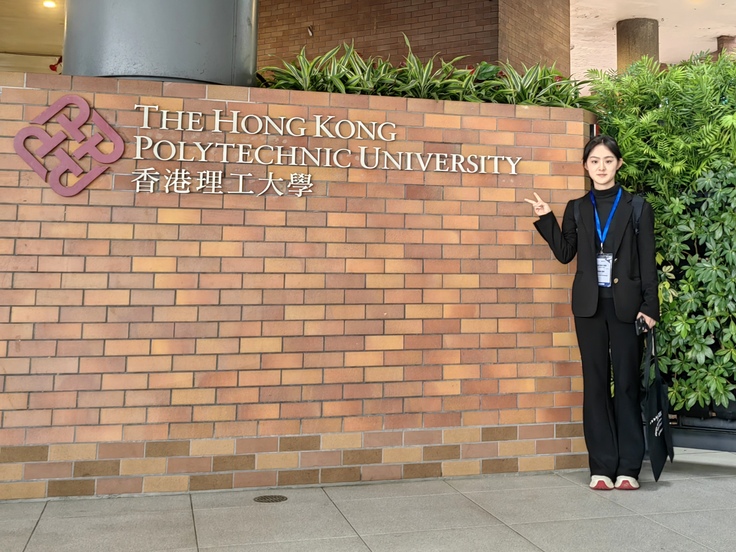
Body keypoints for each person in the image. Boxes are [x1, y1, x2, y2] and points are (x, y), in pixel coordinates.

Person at [525, 134, 659, 491]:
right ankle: (601, 467)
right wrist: (546, 218)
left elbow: (647, 261)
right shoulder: (577, 208)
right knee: (595, 384)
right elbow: (565, 254)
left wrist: (650, 307)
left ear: (619, 164)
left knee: (627, 384)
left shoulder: (638, 207)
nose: (601, 167)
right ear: (585, 166)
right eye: (595, 161)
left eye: (608, 160)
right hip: (589, 308)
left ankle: (628, 468)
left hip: (628, 308)